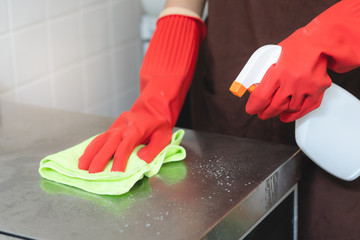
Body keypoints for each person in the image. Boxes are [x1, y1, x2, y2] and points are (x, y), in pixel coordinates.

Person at [78, 0, 360, 239]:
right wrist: (158, 93)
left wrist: (334, 37)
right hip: (232, 87)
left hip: (342, 104)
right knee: (232, 223)